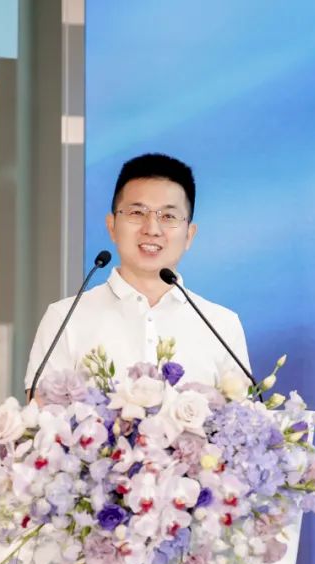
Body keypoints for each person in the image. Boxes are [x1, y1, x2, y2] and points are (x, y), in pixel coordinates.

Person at [24, 153, 250, 395]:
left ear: (189, 235)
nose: (152, 229)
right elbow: (40, 412)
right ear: (112, 226)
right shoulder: (65, 318)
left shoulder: (222, 325)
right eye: (137, 213)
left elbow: (242, 414)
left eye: (168, 216)